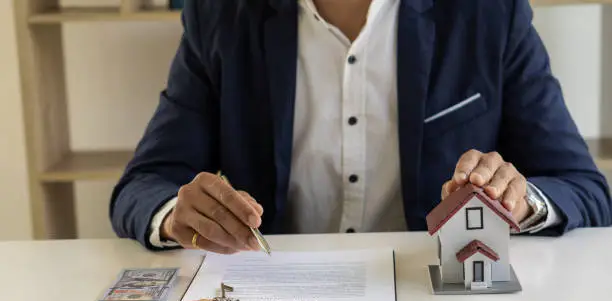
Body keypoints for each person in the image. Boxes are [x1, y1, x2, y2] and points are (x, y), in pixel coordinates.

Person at [110, 0, 612, 253]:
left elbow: (584, 189)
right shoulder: (221, 15)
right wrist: (178, 215)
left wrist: (521, 201)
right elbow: (142, 184)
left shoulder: (487, 12)